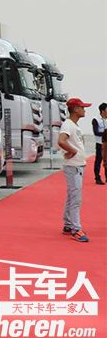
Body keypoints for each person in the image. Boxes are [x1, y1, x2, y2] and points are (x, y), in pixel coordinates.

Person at [58, 97, 91, 243]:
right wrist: (73, 151)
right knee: (76, 198)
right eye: (82, 108)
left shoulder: (73, 125)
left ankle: (68, 224)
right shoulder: (68, 125)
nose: (84, 110)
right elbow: (61, 141)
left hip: (76, 165)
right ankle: (76, 229)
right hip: (73, 166)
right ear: (76, 109)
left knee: (72, 196)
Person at [91, 103, 107, 184]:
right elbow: (96, 132)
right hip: (100, 143)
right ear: (102, 111)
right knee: (98, 160)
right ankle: (97, 177)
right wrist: (105, 133)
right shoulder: (96, 120)